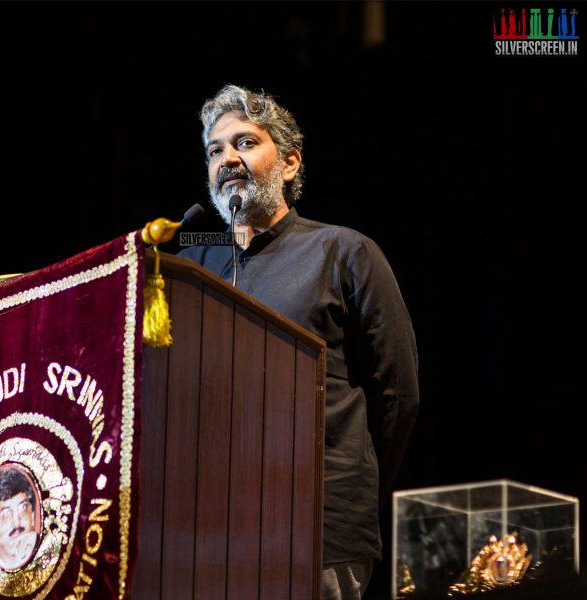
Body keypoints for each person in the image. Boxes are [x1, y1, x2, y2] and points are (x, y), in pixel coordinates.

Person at [179, 84, 419, 600]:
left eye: (244, 142)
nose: (227, 159)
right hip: (211, 531)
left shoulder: (342, 250)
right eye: (215, 150)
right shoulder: (193, 268)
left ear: (289, 164)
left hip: (319, 528)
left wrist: (349, 486)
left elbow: (397, 392)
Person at [0, 467, 40, 570]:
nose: (17, 523)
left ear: (33, 516)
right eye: (6, 513)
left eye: (23, 508)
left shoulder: (47, 555)